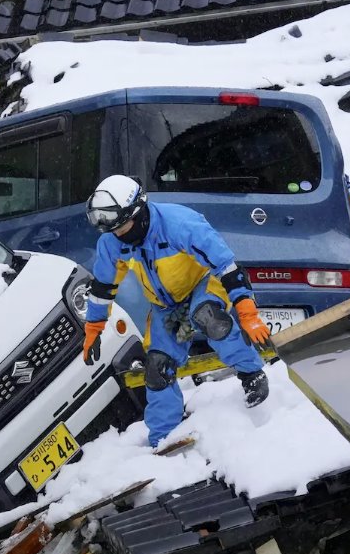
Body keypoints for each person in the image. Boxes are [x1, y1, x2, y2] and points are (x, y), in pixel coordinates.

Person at [82, 175, 271, 447]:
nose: (118, 233)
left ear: (138, 211)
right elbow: (102, 288)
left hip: (204, 284)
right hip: (165, 305)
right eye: (113, 229)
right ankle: (163, 437)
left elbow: (227, 266)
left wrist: (248, 312)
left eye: (122, 226)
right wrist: (94, 327)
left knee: (208, 317)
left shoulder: (180, 224)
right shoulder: (112, 242)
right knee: (157, 368)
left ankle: (252, 374)